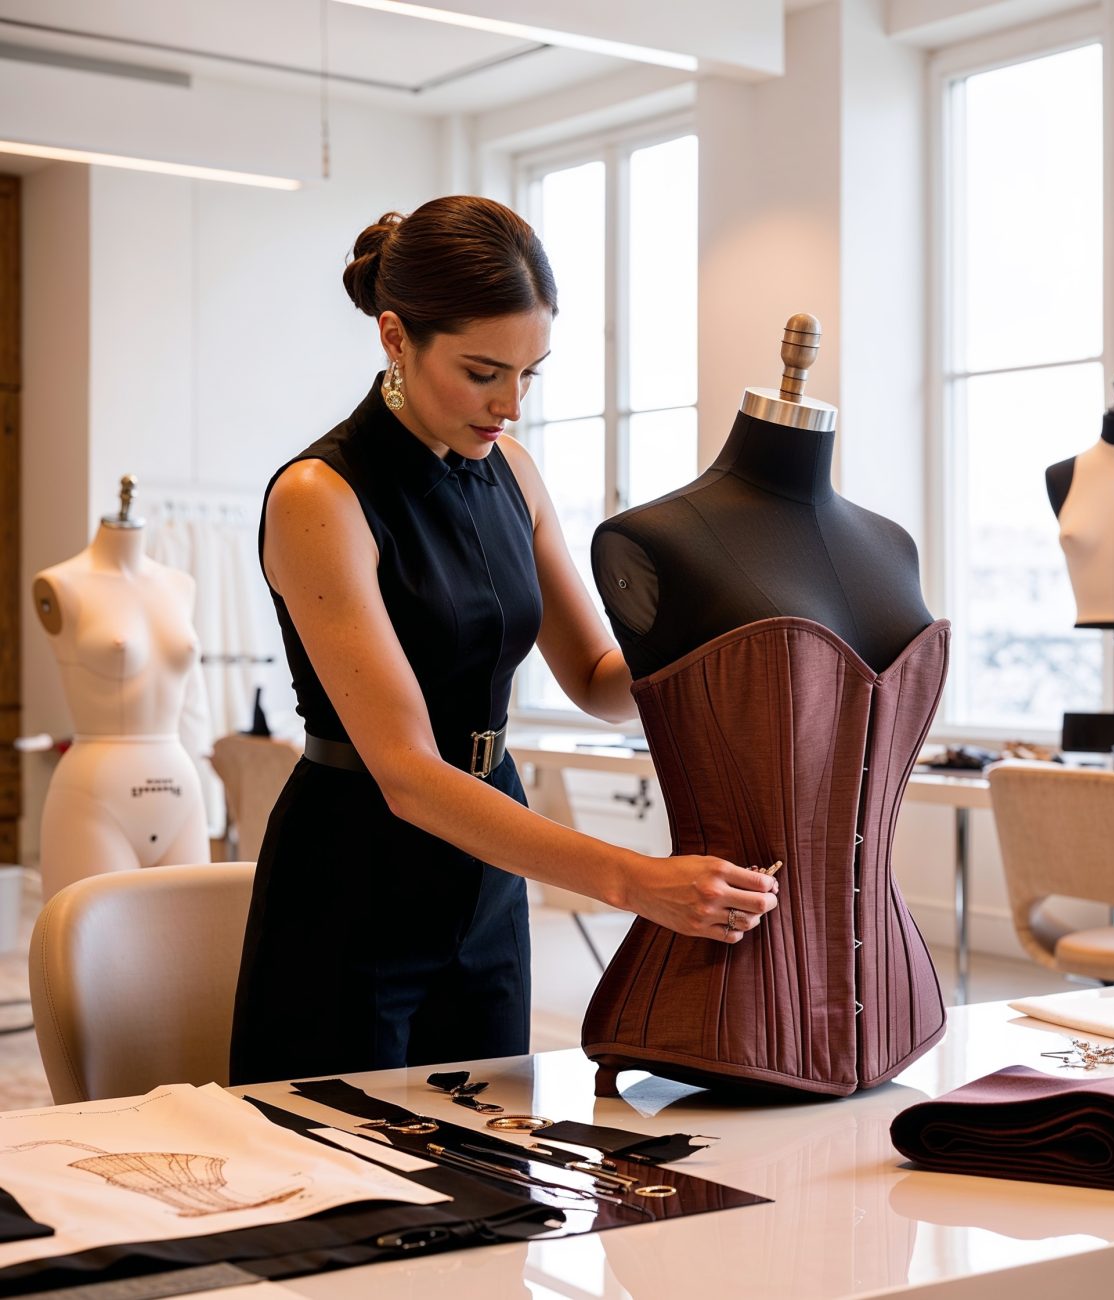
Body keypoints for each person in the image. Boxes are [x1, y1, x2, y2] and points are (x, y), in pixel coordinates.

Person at [229, 196, 777, 1086]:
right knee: (343, 1165)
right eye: (483, 372)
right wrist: (635, 881)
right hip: (354, 875)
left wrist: (727, 621)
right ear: (395, 338)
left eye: (530, 374)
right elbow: (408, 774)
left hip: (488, 877)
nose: (510, 405)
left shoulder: (512, 473)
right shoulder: (319, 496)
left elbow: (599, 680)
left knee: (495, 1151)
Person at [33, 487, 209, 900]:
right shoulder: (62, 583)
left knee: (193, 937)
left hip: (179, 787)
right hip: (94, 793)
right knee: (89, 939)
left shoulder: (179, 585)